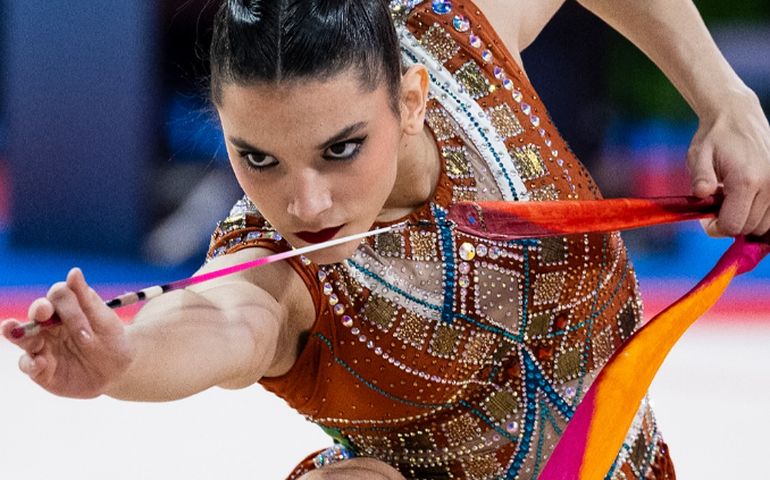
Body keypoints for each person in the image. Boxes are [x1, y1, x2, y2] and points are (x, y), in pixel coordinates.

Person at [3, 0, 770, 479]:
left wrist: (723, 99)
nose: (304, 203)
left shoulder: (457, 43)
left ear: (410, 98)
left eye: (340, 148)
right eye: (257, 158)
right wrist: (124, 360)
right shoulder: (276, 266)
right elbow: (224, 319)